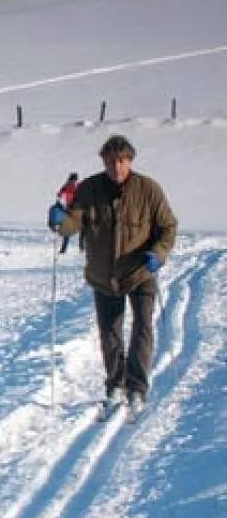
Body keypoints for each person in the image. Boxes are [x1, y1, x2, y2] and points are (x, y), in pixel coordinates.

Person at [48, 134, 177, 416]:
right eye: (110, 161)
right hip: (103, 275)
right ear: (103, 161)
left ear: (129, 161)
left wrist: (159, 252)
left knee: (143, 327)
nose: (116, 167)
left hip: (140, 271)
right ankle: (116, 384)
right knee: (110, 333)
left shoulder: (148, 189)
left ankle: (137, 387)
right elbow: (73, 221)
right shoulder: (90, 188)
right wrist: (59, 221)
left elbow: (167, 226)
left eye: (121, 161)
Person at [56, 173, 80, 254]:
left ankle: (64, 249)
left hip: (71, 208)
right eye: (73, 180)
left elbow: (59, 195)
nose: (73, 182)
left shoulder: (67, 186)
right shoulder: (76, 186)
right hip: (75, 209)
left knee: (67, 229)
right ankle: (81, 246)